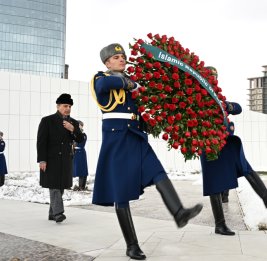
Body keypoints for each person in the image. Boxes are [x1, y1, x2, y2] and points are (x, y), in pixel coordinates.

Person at [91, 43, 203, 260]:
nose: (122, 59)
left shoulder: (132, 84)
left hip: (136, 136)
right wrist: (130, 83)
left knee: (158, 172)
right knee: (121, 194)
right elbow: (106, 84)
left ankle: (179, 213)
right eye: (116, 58)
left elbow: (140, 107)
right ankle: (131, 245)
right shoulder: (101, 78)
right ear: (107, 63)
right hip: (117, 141)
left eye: (123, 56)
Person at [200, 66, 267, 236]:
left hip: (226, 142)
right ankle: (220, 224)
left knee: (246, 168)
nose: (213, 79)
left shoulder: (218, 98)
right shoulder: (197, 98)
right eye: (210, 76)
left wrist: (227, 106)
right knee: (214, 182)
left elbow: (237, 108)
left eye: (215, 76)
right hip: (209, 144)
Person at [37, 93, 84, 223]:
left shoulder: (73, 122)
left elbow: (80, 139)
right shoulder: (47, 121)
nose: (67, 108)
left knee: (61, 186)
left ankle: (52, 213)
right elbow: (41, 142)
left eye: (69, 106)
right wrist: (42, 160)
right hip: (51, 160)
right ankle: (58, 213)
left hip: (66, 160)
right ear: (58, 106)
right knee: (54, 186)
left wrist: (73, 129)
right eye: (65, 106)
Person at [73, 120, 89, 191]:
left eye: (81, 125)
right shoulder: (73, 133)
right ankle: (67, 185)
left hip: (81, 153)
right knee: (69, 169)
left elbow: (81, 141)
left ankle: (81, 186)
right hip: (73, 153)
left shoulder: (83, 135)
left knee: (82, 170)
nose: (80, 127)